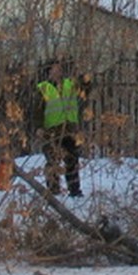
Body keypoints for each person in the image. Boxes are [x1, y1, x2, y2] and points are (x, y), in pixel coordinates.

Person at [36, 58, 91, 197]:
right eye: (55, 68)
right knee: (52, 160)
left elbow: (86, 89)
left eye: (59, 68)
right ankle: (53, 191)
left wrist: (85, 77)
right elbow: (36, 110)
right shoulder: (43, 87)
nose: (58, 71)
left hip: (69, 128)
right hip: (51, 130)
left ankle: (74, 190)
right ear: (48, 71)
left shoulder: (70, 84)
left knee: (72, 160)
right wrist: (38, 127)